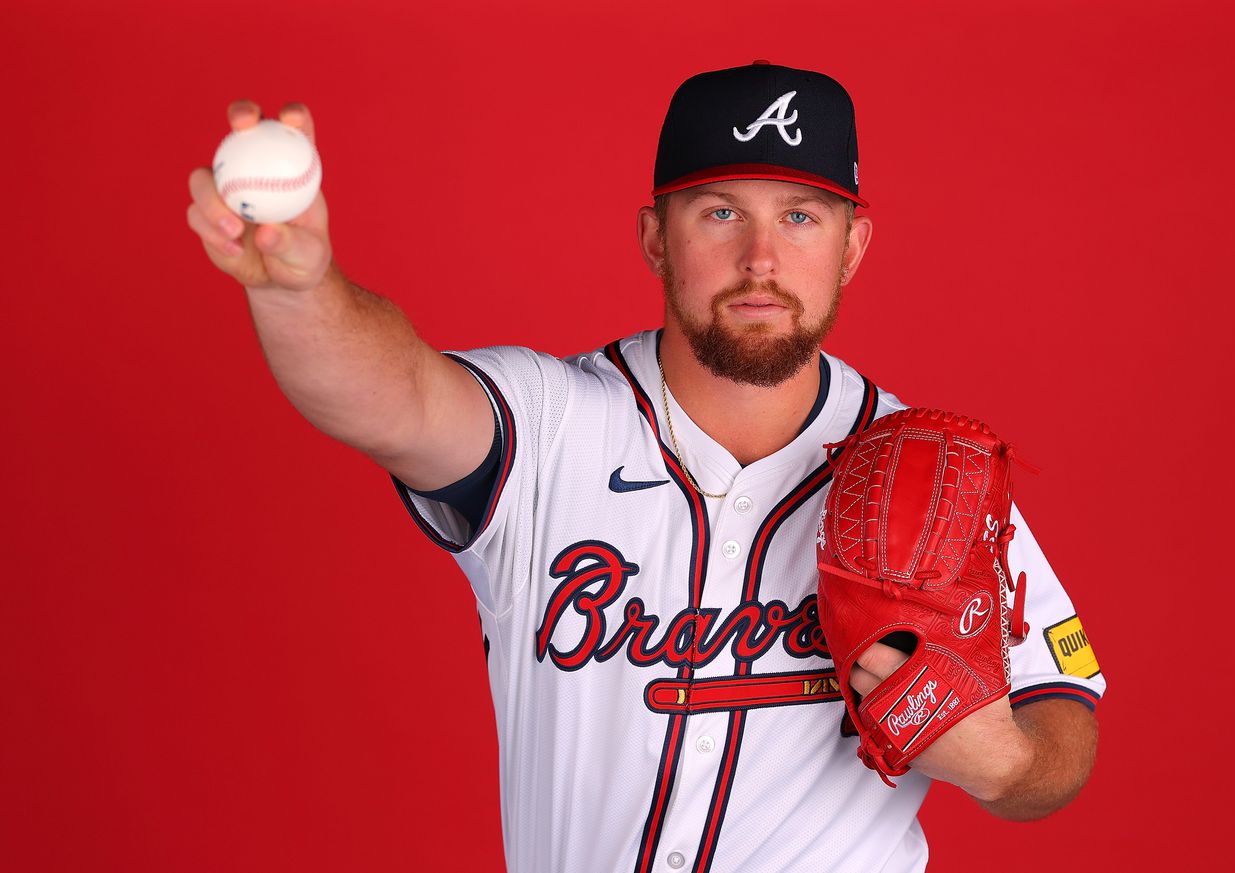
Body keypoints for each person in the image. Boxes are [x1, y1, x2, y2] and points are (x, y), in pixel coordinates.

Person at [187, 61, 1103, 873]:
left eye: (799, 215)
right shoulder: (548, 428)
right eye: (720, 213)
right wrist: (303, 293)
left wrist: (1011, 764)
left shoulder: (929, 473)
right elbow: (392, 397)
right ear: (656, 237)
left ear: (852, 245)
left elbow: (1066, 710)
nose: (761, 258)